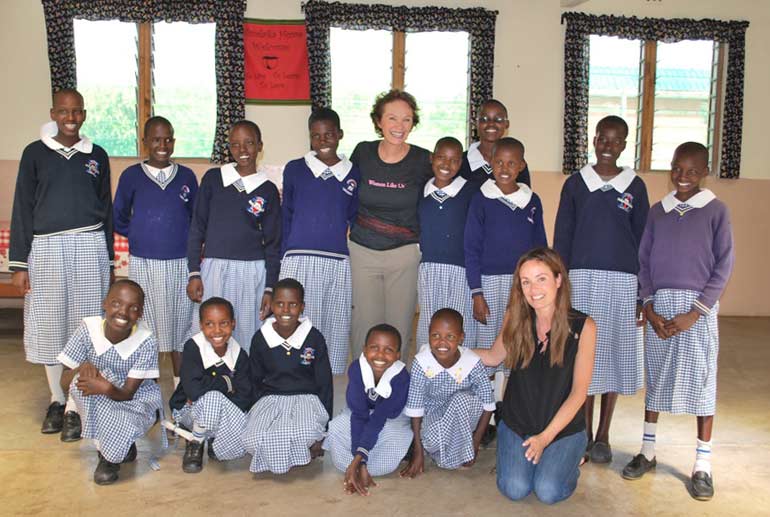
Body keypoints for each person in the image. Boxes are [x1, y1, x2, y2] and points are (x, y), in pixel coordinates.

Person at [622, 142, 734, 501]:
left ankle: (703, 463)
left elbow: (723, 265)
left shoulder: (716, 211)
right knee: (656, 378)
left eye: (691, 170)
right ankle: (648, 450)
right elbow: (644, 260)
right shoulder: (658, 211)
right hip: (661, 305)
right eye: (676, 169)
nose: (682, 177)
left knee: (702, 382)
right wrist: (650, 305)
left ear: (704, 172)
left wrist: (694, 312)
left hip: (697, 310)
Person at [9, 88, 113, 441]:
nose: (71, 118)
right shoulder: (34, 154)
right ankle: (56, 399)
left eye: (77, 112)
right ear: (54, 113)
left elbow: (107, 208)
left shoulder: (96, 154)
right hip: (48, 248)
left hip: (89, 245)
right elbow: (22, 207)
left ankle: (75, 404)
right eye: (64, 112)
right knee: (51, 322)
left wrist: (110, 263)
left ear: (84, 114)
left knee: (85, 326)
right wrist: (20, 265)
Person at [553, 115, 649, 464]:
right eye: (602, 139)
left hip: (622, 283)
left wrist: (641, 292)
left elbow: (643, 241)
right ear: (593, 141)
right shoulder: (577, 184)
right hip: (581, 279)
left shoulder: (634, 186)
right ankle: (584, 432)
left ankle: (604, 435)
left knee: (614, 353)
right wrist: (560, 283)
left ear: (625, 144)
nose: (608, 145)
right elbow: (562, 236)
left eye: (616, 140)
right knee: (585, 356)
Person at [477, 247, 597, 504]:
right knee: (515, 488)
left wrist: (545, 438)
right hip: (518, 421)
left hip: (562, 428)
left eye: (541, 278)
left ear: (558, 280)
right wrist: (448, 351)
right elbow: (492, 357)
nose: (533, 289)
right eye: (526, 282)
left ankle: (573, 458)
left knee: (548, 491)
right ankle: (532, 458)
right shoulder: (515, 318)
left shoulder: (584, 326)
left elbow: (579, 394)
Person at [464, 137, 547, 439]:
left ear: (521, 166)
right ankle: (484, 415)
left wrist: (539, 290)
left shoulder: (532, 201)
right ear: (491, 164)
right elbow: (471, 247)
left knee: (516, 350)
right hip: (487, 284)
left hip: (522, 288)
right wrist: (476, 291)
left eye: (512, 163)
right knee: (489, 350)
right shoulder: (481, 199)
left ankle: (505, 413)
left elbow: (541, 249)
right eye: (499, 162)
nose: (504, 168)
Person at [114, 116, 198, 387]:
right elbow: (119, 217)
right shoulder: (131, 176)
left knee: (180, 328)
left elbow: (196, 218)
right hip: (144, 263)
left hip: (179, 263)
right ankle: (145, 391)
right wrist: (141, 234)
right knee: (144, 327)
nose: (162, 145)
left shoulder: (186, 176)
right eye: (156, 140)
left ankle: (180, 390)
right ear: (145, 142)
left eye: (168, 139)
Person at [348, 89, 432, 360]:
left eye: (407, 120)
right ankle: (363, 386)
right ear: (378, 121)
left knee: (399, 324)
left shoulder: (423, 159)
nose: (399, 126)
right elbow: (345, 191)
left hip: (404, 254)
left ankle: (395, 386)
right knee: (366, 325)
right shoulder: (363, 152)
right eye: (392, 118)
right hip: (363, 251)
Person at [57, 280, 164, 485]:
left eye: (133, 308)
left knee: (107, 394)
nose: (123, 312)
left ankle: (119, 445)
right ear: (104, 304)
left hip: (132, 399)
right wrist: (81, 369)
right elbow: (65, 382)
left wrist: (105, 386)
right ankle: (106, 454)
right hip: (100, 398)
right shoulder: (88, 329)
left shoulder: (146, 341)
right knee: (82, 384)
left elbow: (128, 393)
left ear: (140, 313)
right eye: (116, 303)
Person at [186, 120, 281, 351]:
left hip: (253, 271)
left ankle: (244, 383)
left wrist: (270, 287)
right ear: (229, 147)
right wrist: (194, 272)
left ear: (260, 146)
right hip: (214, 269)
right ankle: (207, 381)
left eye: (249, 143)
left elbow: (273, 242)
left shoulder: (267, 189)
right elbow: (197, 226)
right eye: (236, 144)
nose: (243, 150)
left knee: (248, 333)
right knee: (211, 330)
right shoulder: (213, 179)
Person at [280, 108, 360, 375]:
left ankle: (326, 377)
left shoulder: (352, 173)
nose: (323, 140)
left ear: (339, 135)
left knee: (334, 324)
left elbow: (351, 214)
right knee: (300, 323)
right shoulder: (295, 169)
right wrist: (283, 257)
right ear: (310, 138)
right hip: (299, 258)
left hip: (336, 260)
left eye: (329, 135)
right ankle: (294, 376)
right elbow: (287, 214)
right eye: (316, 136)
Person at [243, 278, 333, 474]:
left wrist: (324, 430)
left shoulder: (314, 337)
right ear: (271, 305)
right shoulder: (261, 338)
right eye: (280, 304)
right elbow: (254, 381)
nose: (285, 310)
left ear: (302, 307)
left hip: (306, 399)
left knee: (305, 432)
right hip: (271, 399)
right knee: (252, 439)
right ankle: (292, 453)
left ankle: (302, 448)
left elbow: (325, 383)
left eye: (292, 304)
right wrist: (255, 414)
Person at [400, 309, 495, 477]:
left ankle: (473, 436)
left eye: (450, 337)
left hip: (465, 413)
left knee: (461, 399)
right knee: (430, 440)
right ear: (428, 334)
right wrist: (418, 451)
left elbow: (488, 403)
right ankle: (452, 447)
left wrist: (475, 441)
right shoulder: (421, 363)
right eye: (435, 335)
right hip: (434, 414)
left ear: (461, 337)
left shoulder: (472, 362)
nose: (441, 343)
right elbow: (415, 407)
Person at [324, 323, 412, 496]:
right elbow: (359, 415)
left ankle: (356, 465)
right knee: (338, 426)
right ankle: (358, 466)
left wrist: (357, 459)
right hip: (360, 412)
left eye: (388, 350)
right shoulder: (357, 369)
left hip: (390, 415)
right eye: (374, 347)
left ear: (398, 355)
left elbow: (379, 417)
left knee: (392, 434)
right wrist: (361, 462)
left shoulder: (401, 377)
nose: (380, 355)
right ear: (364, 350)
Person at [169, 297, 252, 473]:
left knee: (243, 421)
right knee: (212, 398)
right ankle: (196, 442)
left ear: (233, 324)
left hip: (219, 413)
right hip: (188, 411)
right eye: (209, 324)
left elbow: (245, 396)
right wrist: (228, 383)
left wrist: (209, 388)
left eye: (224, 323)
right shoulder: (193, 348)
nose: (217, 330)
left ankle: (214, 437)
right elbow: (193, 390)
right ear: (201, 325)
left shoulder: (239, 354)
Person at [416, 136, 477, 349]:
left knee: (458, 320)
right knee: (429, 319)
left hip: (460, 269)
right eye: (441, 158)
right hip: (429, 266)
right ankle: (427, 369)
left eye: (454, 160)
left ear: (460, 163)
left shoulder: (470, 192)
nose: (446, 165)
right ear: (432, 159)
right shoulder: (422, 190)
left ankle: (459, 373)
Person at [459, 99, 531, 188]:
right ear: (475, 123)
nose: (491, 123)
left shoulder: (516, 163)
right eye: (484, 119)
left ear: (507, 124)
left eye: (498, 119)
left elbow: (524, 197)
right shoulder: (459, 161)